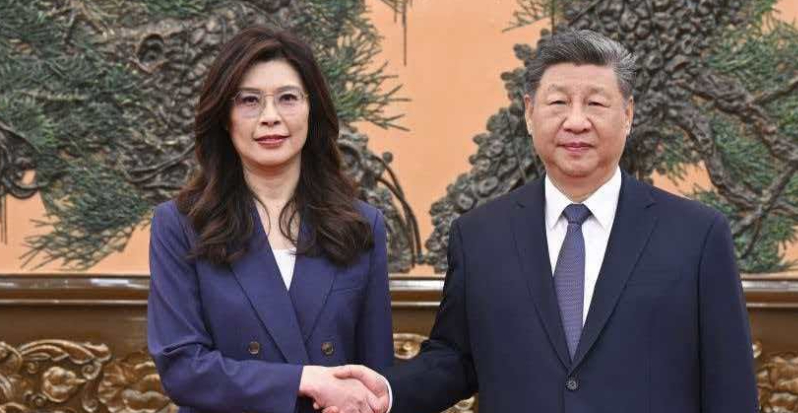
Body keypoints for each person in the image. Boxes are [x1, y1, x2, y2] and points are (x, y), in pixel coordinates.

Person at [334, 29, 758, 412]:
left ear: (628, 115)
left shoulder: (697, 235)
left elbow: (730, 386)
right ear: (529, 112)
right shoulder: (480, 235)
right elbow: (455, 359)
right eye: (558, 103)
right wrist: (386, 392)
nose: (576, 121)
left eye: (596, 103)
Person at [147, 25, 393, 413]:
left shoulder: (361, 225)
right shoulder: (180, 224)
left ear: (312, 110)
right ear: (224, 117)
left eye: (288, 98)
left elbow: (374, 375)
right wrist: (304, 380)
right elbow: (182, 369)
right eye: (249, 100)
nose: (270, 117)